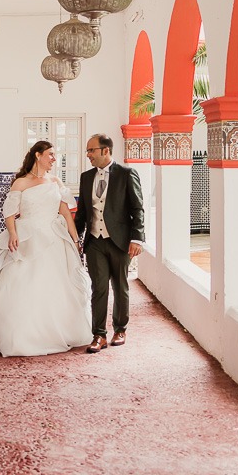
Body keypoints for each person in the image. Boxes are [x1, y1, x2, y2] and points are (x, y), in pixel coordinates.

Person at [0, 141, 92, 357]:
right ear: (38, 155)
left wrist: (75, 241)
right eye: (51, 154)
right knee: (20, 281)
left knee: (56, 284)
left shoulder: (55, 181)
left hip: (54, 238)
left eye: (54, 155)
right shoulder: (21, 183)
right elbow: (9, 213)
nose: (54, 158)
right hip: (28, 236)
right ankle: (20, 335)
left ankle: (55, 331)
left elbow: (66, 214)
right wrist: (13, 234)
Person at [74, 133, 146, 353]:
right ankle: (99, 335)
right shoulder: (86, 177)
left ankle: (120, 329)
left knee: (120, 286)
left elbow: (137, 209)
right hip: (94, 242)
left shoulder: (126, 174)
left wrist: (137, 238)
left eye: (91, 150)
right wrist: (74, 237)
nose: (88, 155)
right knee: (99, 288)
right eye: (87, 151)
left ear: (105, 150)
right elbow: (83, 212)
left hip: (120, 241)